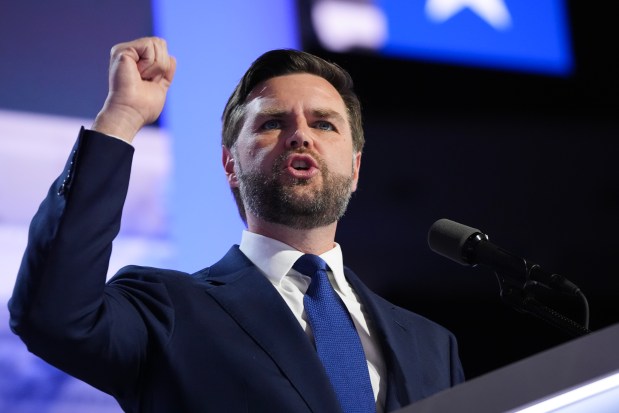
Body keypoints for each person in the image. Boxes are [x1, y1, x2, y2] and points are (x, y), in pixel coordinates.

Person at [9, 37, 464, 412]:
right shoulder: (167, 309)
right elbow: (53, 314)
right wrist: (122, 118)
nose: (301, 134)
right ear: (231, 164)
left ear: (356, 166)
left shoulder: (432, 346)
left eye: (325, 124)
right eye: (272, 122)